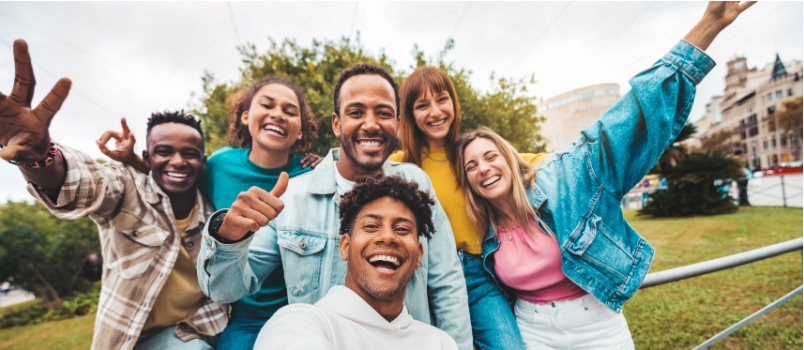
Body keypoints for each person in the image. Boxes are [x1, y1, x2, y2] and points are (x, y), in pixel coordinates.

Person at [450, 2, 754, 349]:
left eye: (490, 156)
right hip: (531, 330)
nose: (483, 169)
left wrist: (709, 25)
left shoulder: (564, 178)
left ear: (508, 157)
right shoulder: (482, 227)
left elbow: (630, 118)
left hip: (596, 326)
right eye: (471, 167)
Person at [198, 63, 473, 349]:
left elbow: (447, 282)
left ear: (398, 124)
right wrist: (228, 238)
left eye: (383, 113)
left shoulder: (416, 184)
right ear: (336, 123)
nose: (370, 124)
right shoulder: (292, 198)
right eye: (356, 112)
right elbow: (224, 289)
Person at [0, 40, 227, 350]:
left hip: (189, 332)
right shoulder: (125, 188)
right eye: (164, 152)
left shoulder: (216, 208)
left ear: (203, 162)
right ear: (147, 159)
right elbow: (81, 184)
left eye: (190, 154)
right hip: (126, 339)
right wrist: (40, 157)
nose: (177, 161)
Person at [98, 77, 321, 349]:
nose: (278, 114)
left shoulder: (314, 174)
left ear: (300, 131)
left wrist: (326, 165)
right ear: (245, 117)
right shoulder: (218, 165)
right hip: (244, 313)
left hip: (300, 309)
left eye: (290, 110)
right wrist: (134, 160)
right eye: (267, 104)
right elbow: (176, 178)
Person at [388, 66, 548, 350]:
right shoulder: (400, 164)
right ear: (410, 115)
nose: (436, 111)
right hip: (420, 276)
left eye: (442, 99)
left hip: (477, 274)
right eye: (422, 105)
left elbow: (527, 161)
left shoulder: (469, 154)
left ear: (454, 102)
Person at [254, 174, 458, 349]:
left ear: (419, 256)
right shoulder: (300, 323)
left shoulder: (441, 343)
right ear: (345, 247)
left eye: (402, 229)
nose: (387, 237)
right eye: (371, 226)